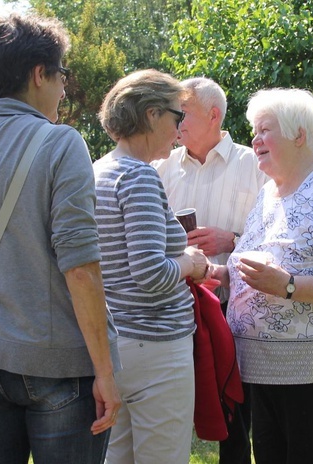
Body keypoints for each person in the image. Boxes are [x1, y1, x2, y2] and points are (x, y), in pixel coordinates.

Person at [0, 13, 121, 464]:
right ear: (40, 74)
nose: (63, 88)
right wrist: (105, 372)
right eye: (62, 75)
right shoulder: (61, 143)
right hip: (54, 363)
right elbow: (80, 268)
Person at [211, 88, 313, 464]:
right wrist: (221, 274)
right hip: (263, 365)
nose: (254, 140)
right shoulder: (269, 193)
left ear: (299, 135)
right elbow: (258, 266)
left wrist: (286, 286)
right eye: (254, 131)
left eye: (264, 130)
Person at [94, 69, 211, 463]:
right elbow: (150, 275)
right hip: (155, 347)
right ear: (150, 115)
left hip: (116, 343)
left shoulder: (98, 171)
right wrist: (190, 263)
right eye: (177, 117)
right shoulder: (139, 176)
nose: (179, 130)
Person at [152, 76, 266, 464]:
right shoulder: (163, 165)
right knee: (173, 414)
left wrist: (231, 238)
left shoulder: (254, 164)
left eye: (184, 113)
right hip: (176, 308)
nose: (176, 122)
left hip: (237, 309)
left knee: (237, 417)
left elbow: (279, 233)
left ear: (214, 115)